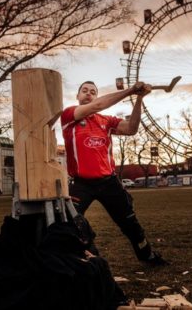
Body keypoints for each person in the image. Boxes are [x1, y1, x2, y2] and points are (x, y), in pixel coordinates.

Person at [61, 80, 167, 266]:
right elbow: (99, 105)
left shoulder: (106, 121)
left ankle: (147, 256)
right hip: (81, 183)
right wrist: (131, 90)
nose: (88, 94)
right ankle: (89, 259)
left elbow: (132, 128)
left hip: (108, 182)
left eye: (93, 92)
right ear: (77, 96)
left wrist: (139, 99)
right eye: (84, 91)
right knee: (71, 222)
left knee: (130, 223)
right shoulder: (69, 116)